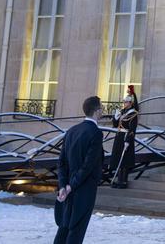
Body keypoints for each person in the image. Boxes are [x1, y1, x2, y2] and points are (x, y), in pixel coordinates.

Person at [54, 96, 105, 244]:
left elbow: (61, 162)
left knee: (64, 229)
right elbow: (88, 166)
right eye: (101, 107)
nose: (102, 110)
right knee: (76, 232)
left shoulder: (71, 131)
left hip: (69, 189)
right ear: (96, 111)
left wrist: (63, 185)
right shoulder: (95, 133)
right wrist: (69, 186)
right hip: (84, 190)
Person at [108, 85, 138, 188]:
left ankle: (123, 181)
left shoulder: (133, 113)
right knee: (118, 159)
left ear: (130, 103)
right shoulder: (122, 112)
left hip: (126, 137)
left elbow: (132, 129)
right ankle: (118, 179)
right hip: (119, 136)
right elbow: (116, 125)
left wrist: (128, 140)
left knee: (124, 160)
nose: (124, 103)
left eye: (126, 102)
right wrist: (115, 118)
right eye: (124, 101)